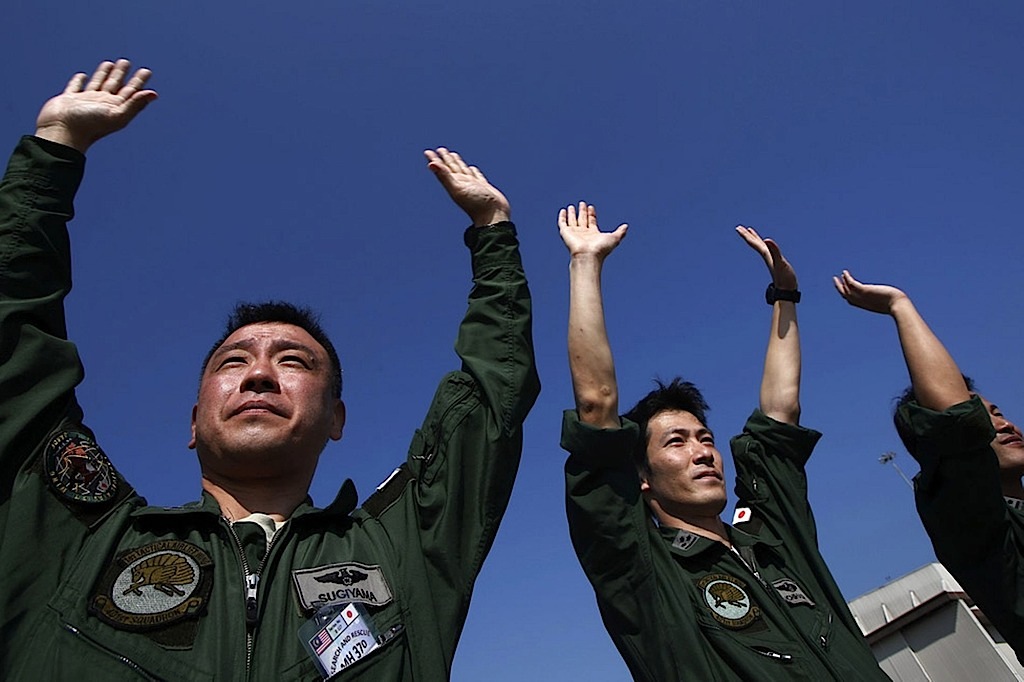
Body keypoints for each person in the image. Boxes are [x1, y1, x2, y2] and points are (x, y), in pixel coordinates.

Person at [0, 60, 539, 680]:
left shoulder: (403, 548)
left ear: (336, 418)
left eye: (293, 362)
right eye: (234, 362)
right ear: (194, 421)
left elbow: (490, 394)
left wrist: (492, 229)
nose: (259, 375)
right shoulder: (84, 538)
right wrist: (55, 148)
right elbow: (16, 351)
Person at [558, 203, 887, 681]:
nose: (702, 452)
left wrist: (785, 295)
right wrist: (585, 262)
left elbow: (780, 415)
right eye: (676, 442)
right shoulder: (645, 572)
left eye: (705, 438)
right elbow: (596, 407)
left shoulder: (776, 543)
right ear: (641, 478)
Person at [834, 270, 1024, 660]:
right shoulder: (970, 522)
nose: (1004, 424)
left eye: (999, 412)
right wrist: (899, 305)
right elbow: (955, 420)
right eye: (985, 419)